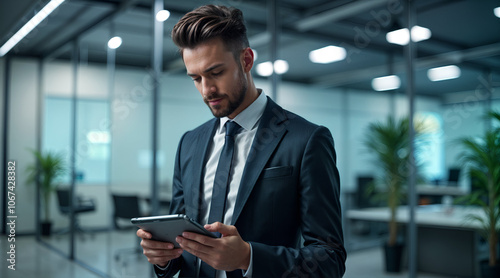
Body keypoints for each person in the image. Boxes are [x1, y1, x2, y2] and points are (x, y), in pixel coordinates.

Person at [136, 4, 346, 278]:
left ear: (246, 60)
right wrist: (162, 258)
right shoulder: (190, 143)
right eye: (196, 78)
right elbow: (179, 246)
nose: (206, 90)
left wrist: (248, 257)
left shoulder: (306, 140)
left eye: (215, 73)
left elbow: (329, 258)